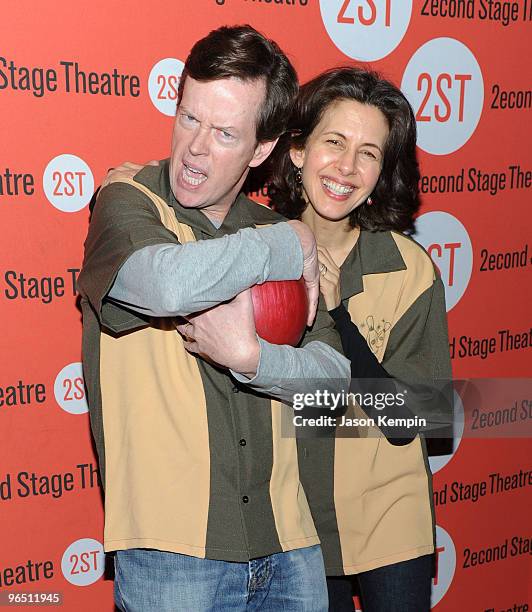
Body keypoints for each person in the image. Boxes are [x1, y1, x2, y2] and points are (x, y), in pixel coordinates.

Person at [78, 26, 350, 612]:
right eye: (188, 118)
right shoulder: (127, 199)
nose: (195, 147)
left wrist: (255, 360)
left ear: (261, 150)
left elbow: (334, 378)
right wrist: (290, 241)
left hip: (291, 548)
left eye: (224, 132)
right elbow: (163, 282)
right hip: (172, 558)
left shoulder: (265, 225)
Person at [268, 67, 452, 611]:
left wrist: (337, 313)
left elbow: (419, 419)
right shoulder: (256, 251)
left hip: (389, 526)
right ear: (298, 150)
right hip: (292, 526)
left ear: (382, 172)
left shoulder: (407, 268)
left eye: (368, 153)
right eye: (334, 142)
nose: (347, 168)